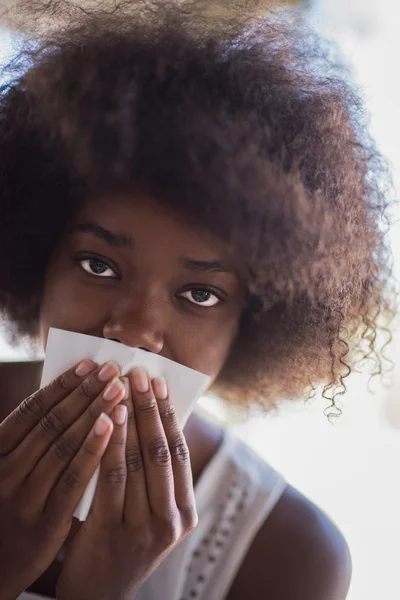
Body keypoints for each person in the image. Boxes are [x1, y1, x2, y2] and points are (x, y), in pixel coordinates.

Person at [0, 1, 394, 598]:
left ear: (253, 322)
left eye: (201, 294)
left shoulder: (288, 556)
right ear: (40, 256)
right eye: (98, 264)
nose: (134, 332)